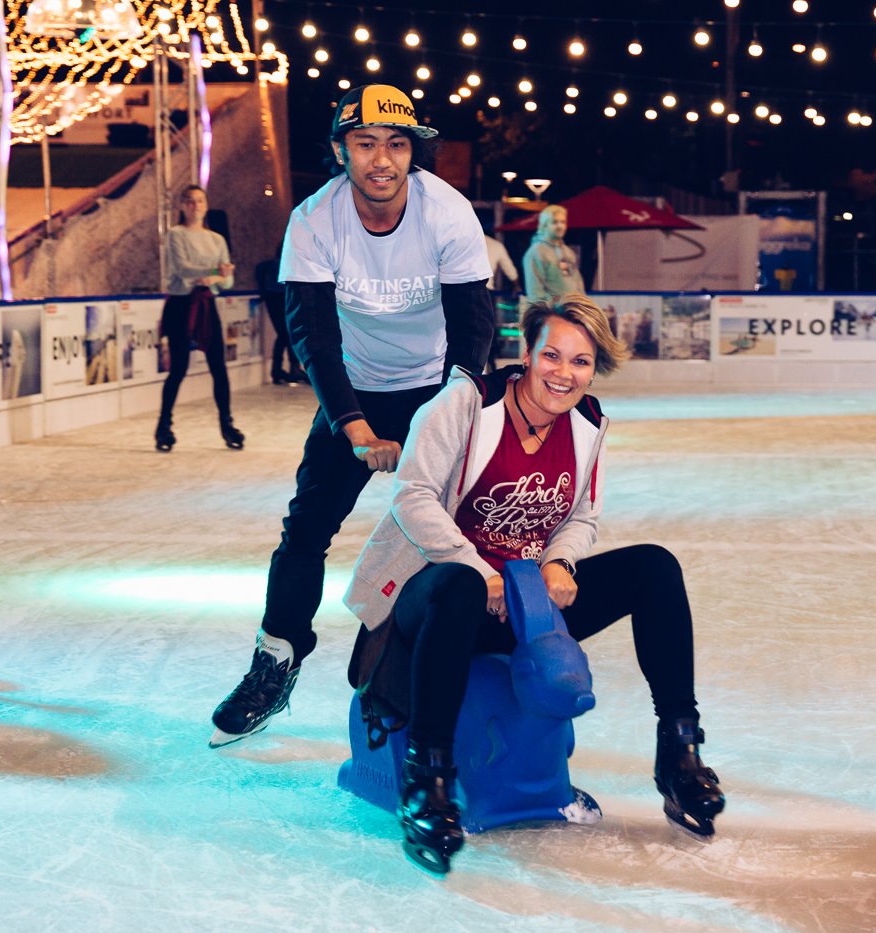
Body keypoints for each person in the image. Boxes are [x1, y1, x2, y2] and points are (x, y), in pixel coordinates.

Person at [343, 295, 724, 873]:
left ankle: (678, 749)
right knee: (461, 588)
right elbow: (413, 497)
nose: (563, 374)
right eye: (552, 355)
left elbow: (582, 516)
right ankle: (429, 778)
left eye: (581, 362)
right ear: (526, 353)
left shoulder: (589, 423)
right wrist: (477, 567)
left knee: (654, 567)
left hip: (523, 600)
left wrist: (559, 563)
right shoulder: (467, 404)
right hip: (435, 598)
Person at [209, 85, 494, 747]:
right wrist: (351, 423)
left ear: (413, 152)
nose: (382, 159)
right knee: (306, 528)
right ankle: (275, 662)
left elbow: (474, 325)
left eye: (397, 144)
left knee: (454, 538)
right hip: (356, 388)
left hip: (437, 387)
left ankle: (447, 676)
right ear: (341, 151)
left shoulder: (447, 213)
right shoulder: (314, 219)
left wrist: (452, 407)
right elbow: (311, 333)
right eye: (365, 143)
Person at [154, 184, 241, 451]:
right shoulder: (175, 235)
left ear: (205, 204)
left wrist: (216, 277)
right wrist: (217, 270)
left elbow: (228, 281)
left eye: (200, 200)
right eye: (190, 201)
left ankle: (227, 424)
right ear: (182, 205)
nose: (195, 205)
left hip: (206, 304)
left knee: (218, 366)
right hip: (181, 304)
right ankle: (164, 426)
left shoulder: (216, 239)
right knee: (179, 367)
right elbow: (182, 268)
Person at [255, 244, 306, 385]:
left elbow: (260, 270)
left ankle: (279, 370)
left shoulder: (271, 265)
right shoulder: (286, 265)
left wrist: (262, 291)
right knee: (288, 335)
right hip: (282, 298)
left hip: (273, 298)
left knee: (284, 335)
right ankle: (291, 369)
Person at [522, 205, 586, 301]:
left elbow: (578, 282)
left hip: (572, 310)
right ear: (544, 225)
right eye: (554, 222)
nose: (560, 226)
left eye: (563, 222)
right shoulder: (535, 252)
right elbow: (535, 292)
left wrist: (583, 305)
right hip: (552, 313)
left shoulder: (568, 252)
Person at [484, 233, 520, 372]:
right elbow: (510, 269)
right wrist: (516, 285)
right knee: (489, 331)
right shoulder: (495, 245)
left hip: (462, 289)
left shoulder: (463, 239)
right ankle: (490, 363)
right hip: (486, 292)